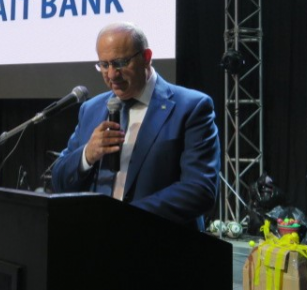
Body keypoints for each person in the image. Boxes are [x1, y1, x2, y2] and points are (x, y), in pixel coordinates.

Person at [51, 22, 220, 230]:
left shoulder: (191, 107)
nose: (112, 75)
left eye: (120, 63)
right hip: (97, 240)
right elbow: (59, 181)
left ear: (146, 57)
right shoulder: (91, 109)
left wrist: (124, 218)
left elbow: (200, 190)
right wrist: (87, 155)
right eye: (104, 65)